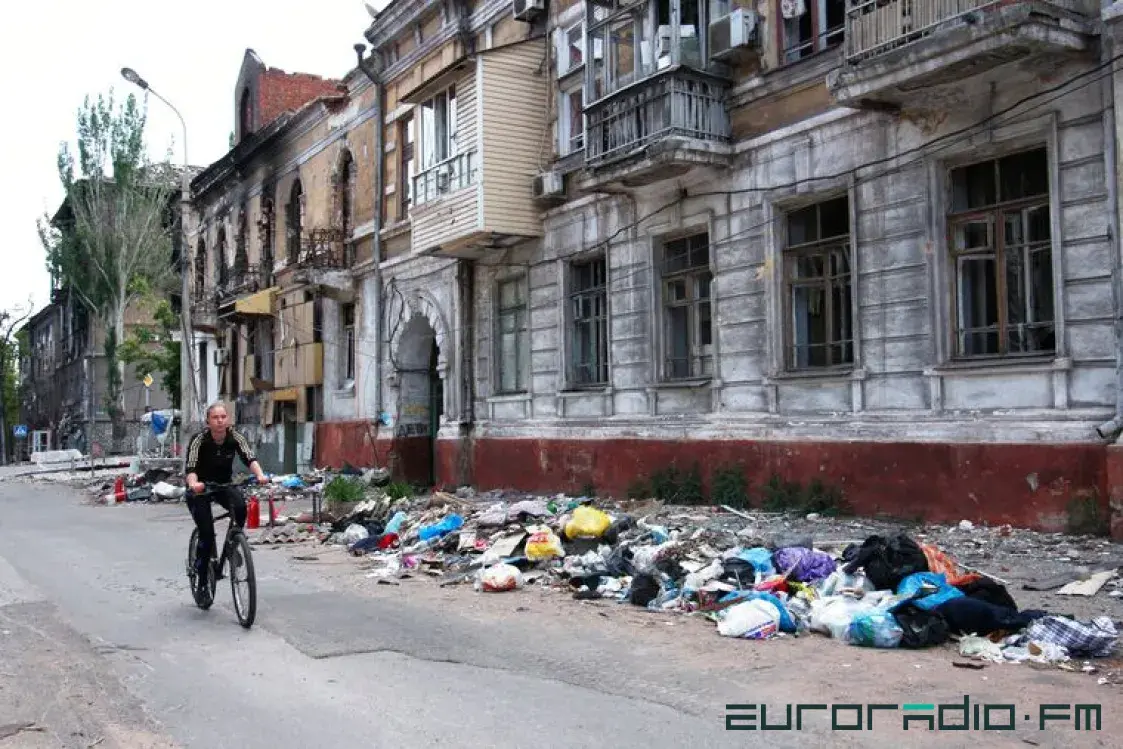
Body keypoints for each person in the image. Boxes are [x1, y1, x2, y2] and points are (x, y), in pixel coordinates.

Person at [184, 402, 268, 583]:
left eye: (223, 417)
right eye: (215, 417)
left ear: (228, 420)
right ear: (208, 421)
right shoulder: (199, 440)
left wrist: (260, 474)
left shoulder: (235, 437)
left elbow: (249, 457)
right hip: (200, 489)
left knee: (240, 507)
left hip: (222, 485)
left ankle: (233, 543)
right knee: (206, 533)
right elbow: (190, 467)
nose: (220, 421)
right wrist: (194, 484)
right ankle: (202, 577)